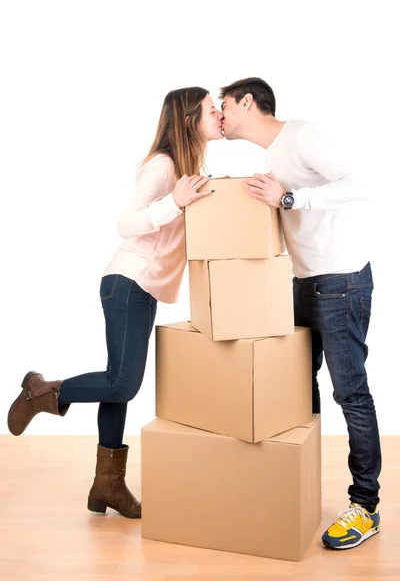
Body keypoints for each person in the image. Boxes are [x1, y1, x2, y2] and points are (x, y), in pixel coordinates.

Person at [7, 87, 223, 519]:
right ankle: (40, 392)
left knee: (116, 386)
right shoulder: (163, 166)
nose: (218, 113)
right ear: (187, 119)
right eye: (211, 109)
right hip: (127, 282)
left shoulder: (188, 167)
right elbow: (125, 223)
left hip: (143, 289)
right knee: (124, 383)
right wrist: (174, 202)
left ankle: (107, 485)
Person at [219, 77, 381, 550]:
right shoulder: (271, 157)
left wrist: (290, 198)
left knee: (349, 392)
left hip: (341, 282)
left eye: (225, 104)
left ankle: (364, 506)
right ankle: (302, 482)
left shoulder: (303, 136)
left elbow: (360, 182)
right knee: (295, 387)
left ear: (248, 102)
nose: (222, 114)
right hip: (302, 283)